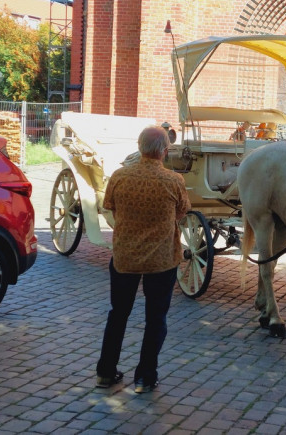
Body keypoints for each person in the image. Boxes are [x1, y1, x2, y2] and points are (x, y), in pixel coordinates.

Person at [96, 125, 191, 394]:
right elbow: (182, 212)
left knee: (118, 315)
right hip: (160, 261)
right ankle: (145, 377)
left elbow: (110, 206)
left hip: (125, 258)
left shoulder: (119, 177)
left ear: (139, 147)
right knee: (155, 318)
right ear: (164, 151)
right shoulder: (174, 181)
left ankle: (105, 372)